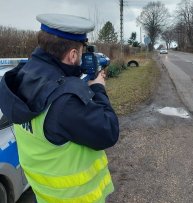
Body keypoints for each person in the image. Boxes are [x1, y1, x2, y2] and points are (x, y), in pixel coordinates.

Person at [0, 14, 119, 203]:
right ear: (72, 55)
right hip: (76, 198)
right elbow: (109, 131)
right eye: (81, 52)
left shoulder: (22, 76)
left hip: (45, 195)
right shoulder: (66, 100)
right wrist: (98, 88)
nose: (82, 56)